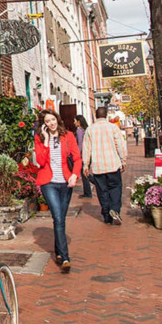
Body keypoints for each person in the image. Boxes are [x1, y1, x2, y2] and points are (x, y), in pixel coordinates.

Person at [28, 110, 81, 272]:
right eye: (47, 121)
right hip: (48, 182)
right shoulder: (40, 138)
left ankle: (58, 251)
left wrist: (74, 175)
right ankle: (65, 258)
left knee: (61, 219)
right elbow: (41, 161)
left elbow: (77, 158)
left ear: (57, 120)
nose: (51, 123)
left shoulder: (68, 136)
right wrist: (45, 141)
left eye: (53, 120)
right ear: (43, 124)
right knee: (58, 217)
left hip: (65, 182)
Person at [82, 107, 128, 225]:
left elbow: (86, 149)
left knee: (102, 191)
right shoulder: (113, 128)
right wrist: (123, 160)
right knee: (115, 188)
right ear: (106, 115)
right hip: (113, 164)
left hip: (98, 167)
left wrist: (86, 165)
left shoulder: (89, 129)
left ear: (96, 116)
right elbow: (120, 145)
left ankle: (107, 215)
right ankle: (115, 209)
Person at [74, 115, 93, 198]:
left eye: (75, 121)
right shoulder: (86, 130)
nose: (74, 123)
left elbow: (80, 144)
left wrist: (77, 154)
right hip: (89, 154)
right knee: (86, 173)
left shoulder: (79, 131)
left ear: (79, 122)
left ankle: (88, 192)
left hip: (82, 155)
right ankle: (88, 191)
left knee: (84, 174)